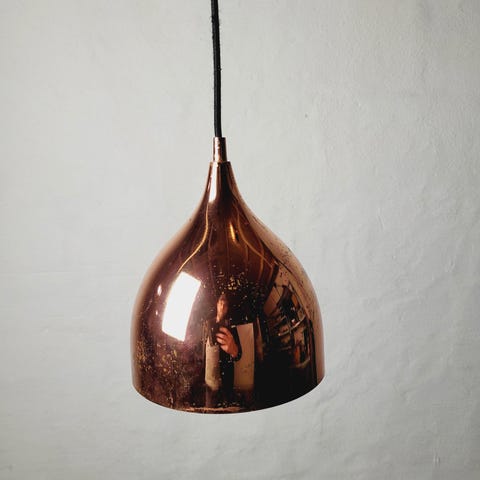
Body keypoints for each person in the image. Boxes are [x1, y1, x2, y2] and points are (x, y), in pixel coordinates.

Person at [204, 293, 242, 407]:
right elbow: (201, 348)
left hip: (227, 380)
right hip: (209, 381)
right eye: (221, 303)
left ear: (227, 308)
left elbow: (239, 354)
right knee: (210, 408)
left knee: (228, 409)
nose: (222, 306)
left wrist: (234, 351)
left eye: (225, 305)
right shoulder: (208, 323)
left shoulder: (231, 326)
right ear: (217, 304)